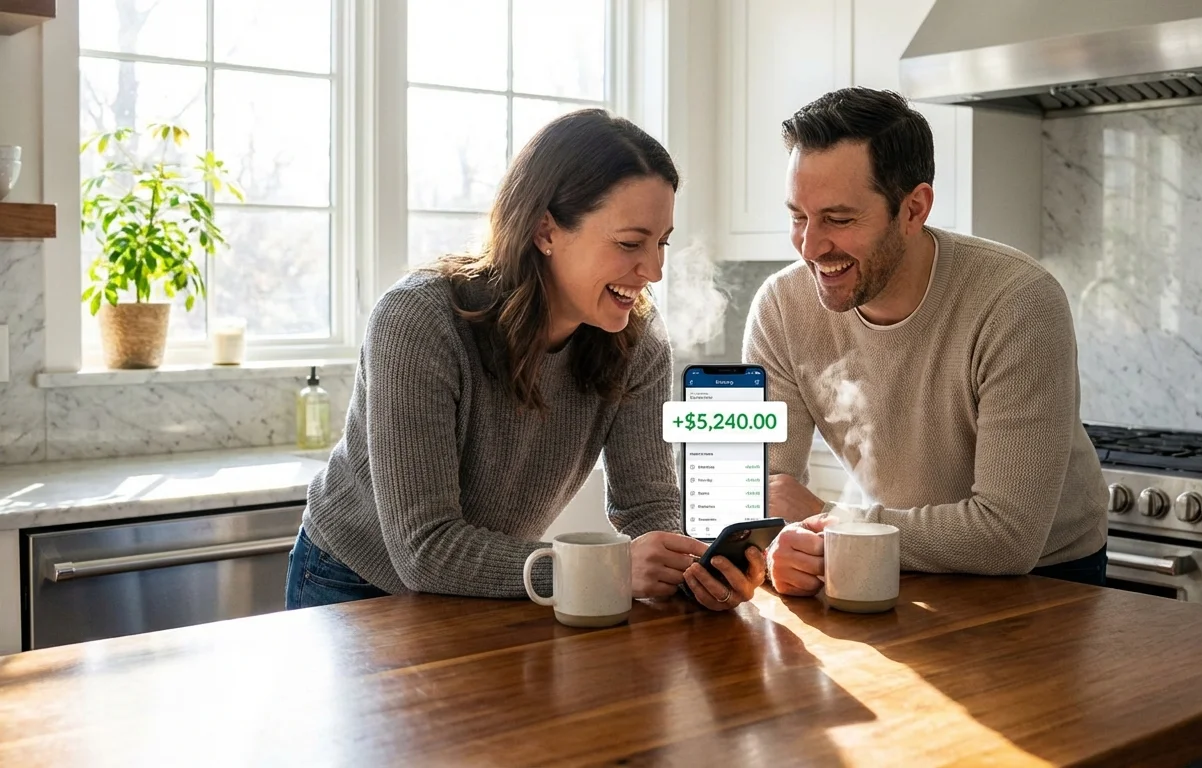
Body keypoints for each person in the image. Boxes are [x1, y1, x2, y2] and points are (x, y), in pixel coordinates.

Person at [287, 109, 765, 612]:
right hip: (353, 585)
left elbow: (647, 504)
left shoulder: (636, 338)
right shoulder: (419, 320)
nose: (654, 270)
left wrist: (695, 568)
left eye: (662, 242)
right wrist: (604, 569)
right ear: (545, 231)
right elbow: (423, 550)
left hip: (487, 585)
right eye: (630, 243)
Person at [745, 87, 1108, 595]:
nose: (810, 247)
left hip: (1045, 581)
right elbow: (764, 497)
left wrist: (835, 521)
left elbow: (1007, 536)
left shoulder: (1017, 301)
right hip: (890, 557)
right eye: (798, 216)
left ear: (914, 209)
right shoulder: (783, 308)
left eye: (839, 219)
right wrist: (778, 548)